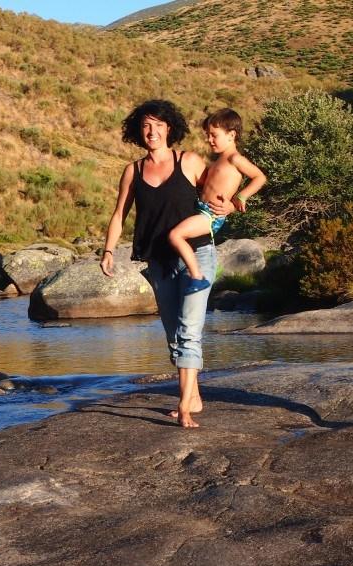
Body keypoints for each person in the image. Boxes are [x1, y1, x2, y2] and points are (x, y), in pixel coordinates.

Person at [100, 99, 235, 428]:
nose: (152, 132)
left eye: (159, 125)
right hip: (158, 260)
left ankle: (184, 406)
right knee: (175, 335)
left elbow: (217, 191)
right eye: (146, 126)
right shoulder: (132, 171)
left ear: (170, 128)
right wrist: (107, 250)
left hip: (197, 254)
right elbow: (120, 214)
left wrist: (232, 205)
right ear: (138, 130)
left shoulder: (188, 161)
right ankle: (194, 395)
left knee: (189, 332)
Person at [168, 108, 267, 294]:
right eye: (207, 135)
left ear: (231, 135)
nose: (209, 139)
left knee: (176, 235)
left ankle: (198, 278)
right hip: (201, 210)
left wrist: (240, 198)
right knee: (173, 231)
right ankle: (169, 270)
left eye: (214, 135)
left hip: (211, 215)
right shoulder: (219, 160)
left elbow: (260, 177)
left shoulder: (235, 158)